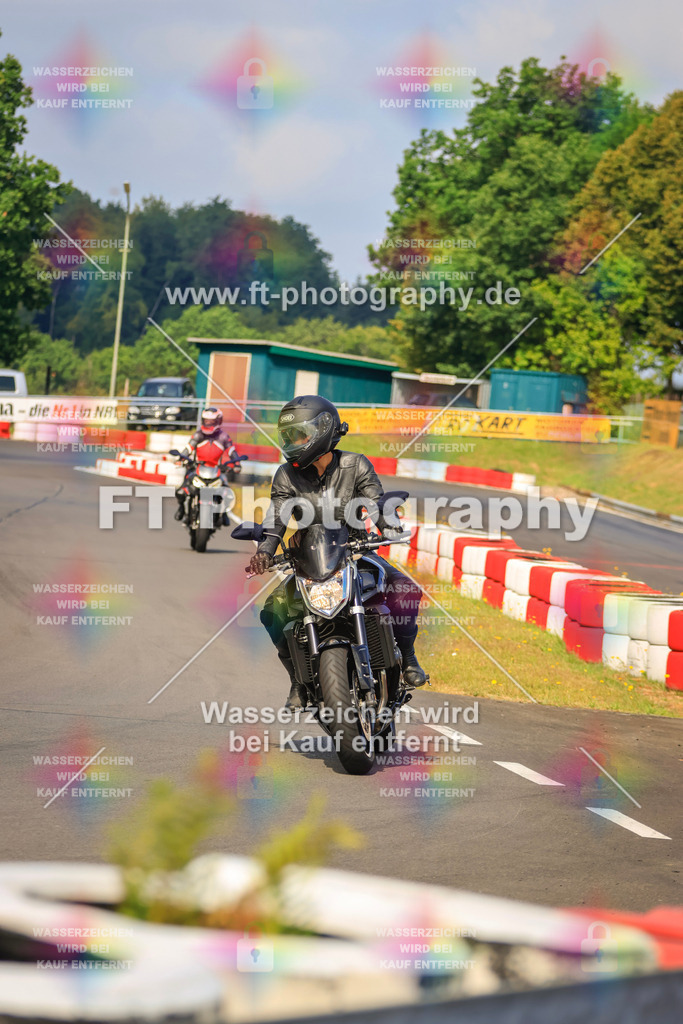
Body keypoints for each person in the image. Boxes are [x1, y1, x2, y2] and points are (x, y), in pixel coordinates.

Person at [247, 395, 426, 709]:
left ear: (323, 429)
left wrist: (389, 526)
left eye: (299, 435)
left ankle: (409, 659)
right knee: (272, 612)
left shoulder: (355, 464)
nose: (293, 442)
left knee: (405, 591)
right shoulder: (286, 475)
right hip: (308, 561)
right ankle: (297, 683)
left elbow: (376, 501)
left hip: (354, 552)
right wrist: (264, 551)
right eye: (288, 437)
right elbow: (276, 518)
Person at [174, 407, 241, 522]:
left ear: (218, 421)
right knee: (181, 491)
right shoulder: (198, 435)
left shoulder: (223, 437)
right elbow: (188, 448)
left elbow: (232, 451)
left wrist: (236, 464)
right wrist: (181, 458)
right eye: (206, 421)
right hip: (197, 468)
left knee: (228, 493)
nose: (208, 423)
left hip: (216, 470)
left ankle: (224, 513)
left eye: (211, 421)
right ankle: (181, 508)